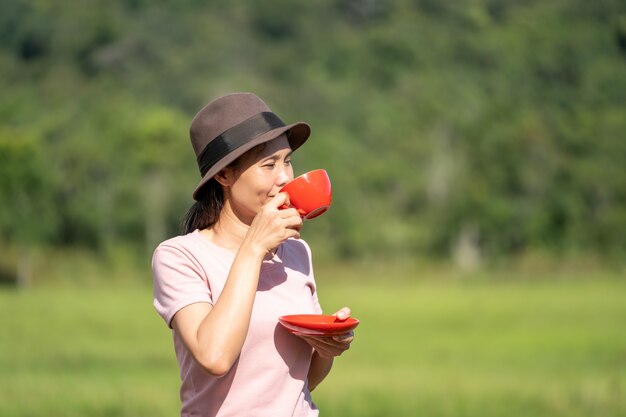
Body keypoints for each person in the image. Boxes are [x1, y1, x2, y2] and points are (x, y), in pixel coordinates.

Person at [151, 92, 355, 417]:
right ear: (224, 175)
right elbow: (215, 357)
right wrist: (254, 248)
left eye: (287, 160)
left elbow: (303, 381)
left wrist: (327, 347)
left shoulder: (297, 252)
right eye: (268, 165)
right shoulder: (180, 257)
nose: (285, 177)